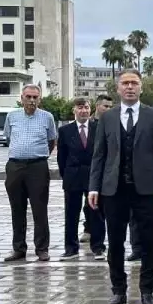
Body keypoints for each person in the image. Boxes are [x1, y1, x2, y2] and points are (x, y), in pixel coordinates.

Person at [88, 70, 153, 304]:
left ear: (141, 88)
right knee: (115, 241)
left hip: (145, 190)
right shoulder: (107, 117)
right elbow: (99, 155)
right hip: (114, 189)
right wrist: (94, 186)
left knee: (148, 241)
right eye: (125, 83)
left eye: (134, 83)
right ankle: (118, 290)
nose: (130, 87)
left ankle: (147, 289)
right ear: (118, 88)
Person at [3, 84, 57, 262]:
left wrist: (37, 156)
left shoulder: (47, 117)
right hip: (15, 167)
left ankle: (42, 248)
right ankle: (18, 248)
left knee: (39, 209)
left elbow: (51, 141)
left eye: (35, 97)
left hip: (37, 167)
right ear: (22, 98)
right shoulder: (12, 116)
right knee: (17, 209)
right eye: (28, 97)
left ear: (39, 99)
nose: (32, 100)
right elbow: (9, 137)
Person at [56, 98, 105, 260]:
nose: (83, 110)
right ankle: (71, 248)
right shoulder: (65, 131)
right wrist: (67, 174)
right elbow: (61, 157)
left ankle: (98, 247)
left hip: (93, 177)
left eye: (86, 107)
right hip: (73, 177)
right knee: (71, 214)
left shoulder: (98, 128)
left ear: (90, 109)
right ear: (74, 110)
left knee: (96, 213)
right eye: (80, 107)